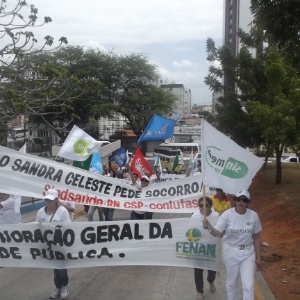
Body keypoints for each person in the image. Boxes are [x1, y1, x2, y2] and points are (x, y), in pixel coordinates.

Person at [203, 189, 262, 300]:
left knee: (248, 286)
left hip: (248, 253)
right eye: (239, 199)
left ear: (248, 202)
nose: (241, 202)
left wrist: (259, 257)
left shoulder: (253, 216)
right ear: (235, 200)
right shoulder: (227, 215)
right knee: (232, 283)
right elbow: (217, 233)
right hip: (231, 252)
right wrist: (209, 227)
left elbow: (256, 236)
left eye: (244, 200)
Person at [36, 189, 71, 300]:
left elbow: (67, 229)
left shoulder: (63, 211)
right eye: (46, 199)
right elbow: (37, 227)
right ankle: (57, 287)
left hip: (60, 244)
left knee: (61, 267)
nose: (48, 201)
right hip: (47, 245)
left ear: (56, 199)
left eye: (50, 199)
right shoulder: (41, 211)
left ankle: (64, 286)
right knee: (55, 267)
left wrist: (66, 248)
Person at [192, 196, 219, 300]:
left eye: (206, 205)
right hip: (198, 248)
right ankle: (199, 291)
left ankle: (211, 281)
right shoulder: (194, 216)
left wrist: (209, 226)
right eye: (201, 205)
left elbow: (219, 232)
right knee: (198, 271)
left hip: (211, 249)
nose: (203, 207)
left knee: (212, 270)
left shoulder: (216, 216)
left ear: (210, 207)